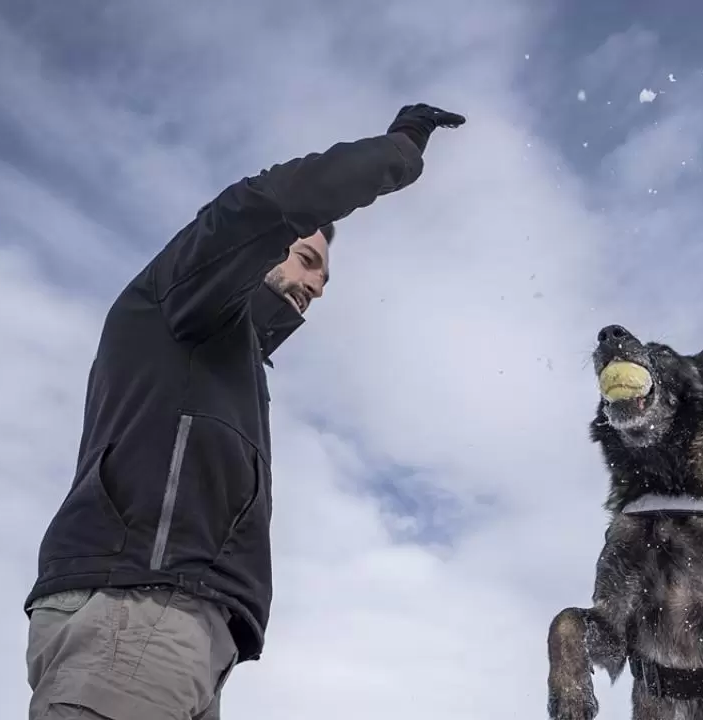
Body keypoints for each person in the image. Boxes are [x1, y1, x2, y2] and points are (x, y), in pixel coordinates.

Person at [23, 103, 466, 720]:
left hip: (188, 628)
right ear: (261, 249)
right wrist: (398, 150)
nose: (315, 285)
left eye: (325, 279)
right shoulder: (181, 296)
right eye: (308, 260)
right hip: (138, 608)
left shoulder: (235, 358)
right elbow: (263, 204)